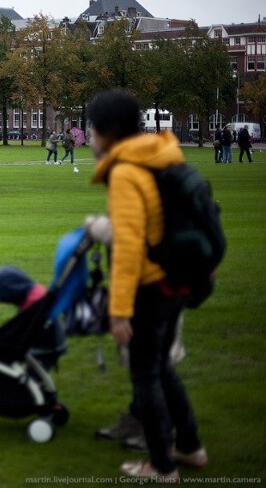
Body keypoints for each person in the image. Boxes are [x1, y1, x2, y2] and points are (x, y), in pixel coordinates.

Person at [87, 89, 206, 480]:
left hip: (150, 288)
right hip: (175, 281)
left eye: (91, 129)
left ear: (108, 131)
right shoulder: (159, 156)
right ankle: (189, 446)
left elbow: (128, 249)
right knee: (163, 371)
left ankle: (161, 466)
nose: (88, 138)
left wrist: (119, 311)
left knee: (146, 375)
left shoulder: (125, 172)